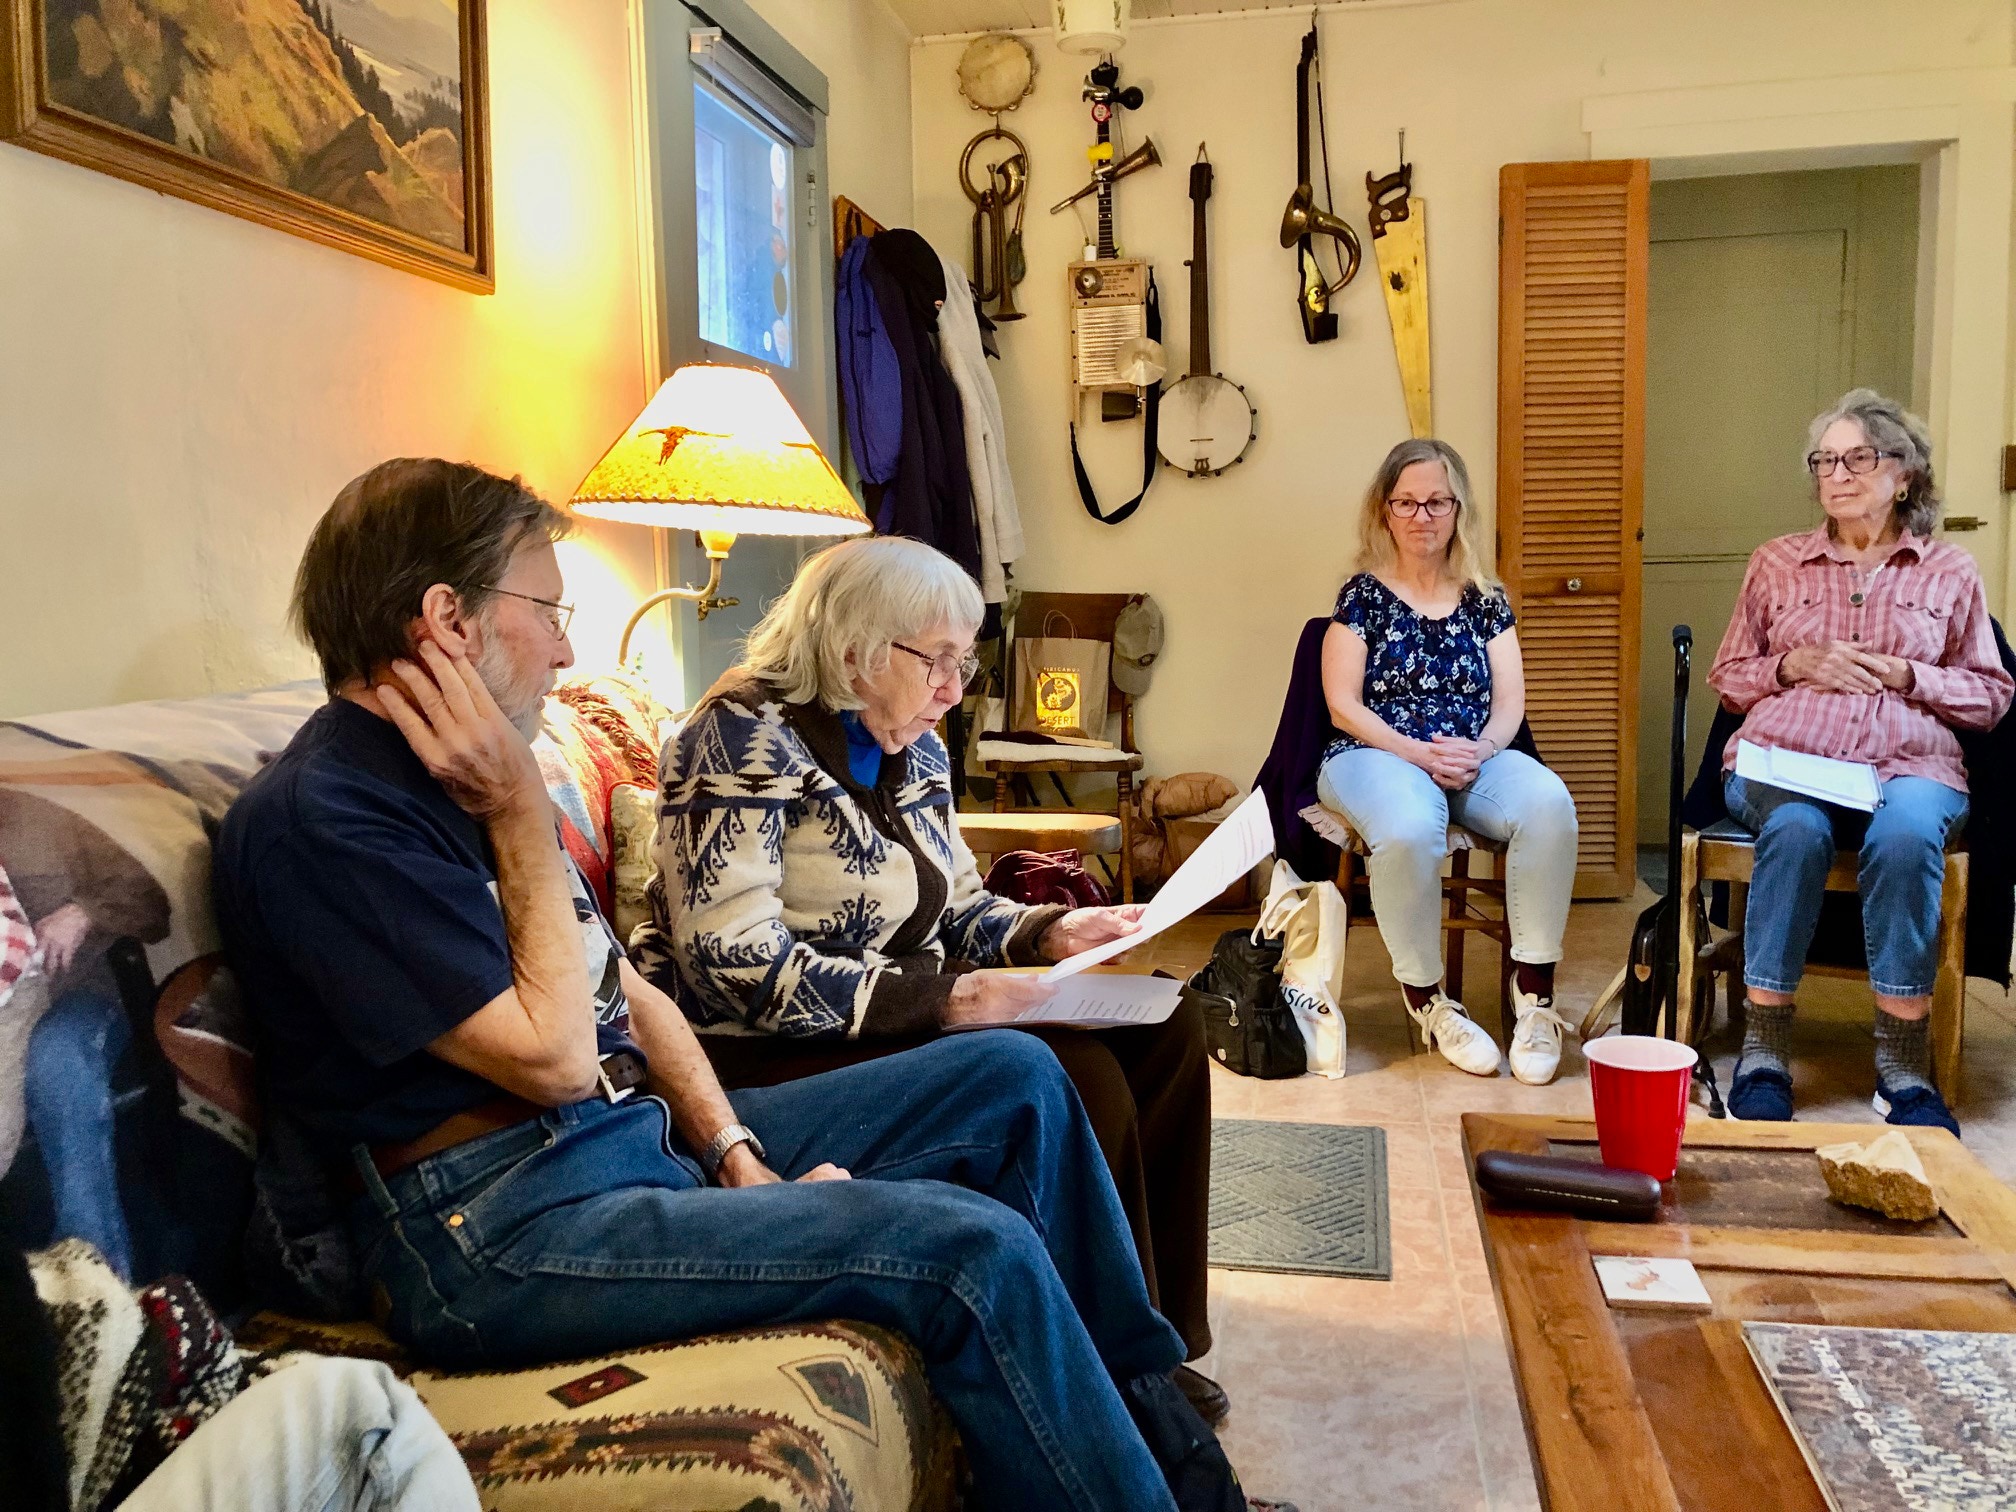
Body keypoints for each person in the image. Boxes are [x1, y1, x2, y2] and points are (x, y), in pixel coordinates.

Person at [213, 458, 1289, 1512]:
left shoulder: (455, 774)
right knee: (974, 1249)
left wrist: (734, 1153)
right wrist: (518, 815)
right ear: (449, 621)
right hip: (493, 1226)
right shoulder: (330, 819)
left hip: (617, 1144)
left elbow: (629, 996)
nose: (568, 646)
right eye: (548, 610)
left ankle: (1171, 1457)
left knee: (1019, 1079)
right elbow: (558, 1061)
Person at [630, 533, 1226, 1420]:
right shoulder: (735, 737)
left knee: (1167, 1025)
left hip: (902, 1003)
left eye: (963, 661)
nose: (954, 689)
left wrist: (1053, 931)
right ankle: (1098, 1360)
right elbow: (731, 966)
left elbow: (956, 907)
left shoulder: (913, 740)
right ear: (853, 652)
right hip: (762, 1044)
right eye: (936, 660)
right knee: (1076, 1071)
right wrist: (955, 1000)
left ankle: (1158, 1328)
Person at [1707, 390, 2013, 1132]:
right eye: (1824, 461)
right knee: (1796, 832)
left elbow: (1991, 694)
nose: (1837, 475)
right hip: (1785, 761)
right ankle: (1764, 1054)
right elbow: (1730, 676)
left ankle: (1903, 1069)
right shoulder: (1776, 562)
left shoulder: (1950, 570)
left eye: (1858, 459)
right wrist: (1793, 664)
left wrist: (1911, 676)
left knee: (1906, 838)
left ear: (1904, 474)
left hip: (1910, 765)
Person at [1316, 438, 1579, 1085]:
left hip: (1471, 755)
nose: (1422, 516)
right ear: (1384, 511)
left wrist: (1481, 750)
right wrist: (1415, 752)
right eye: (1406, 502)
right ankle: (1430, 1002)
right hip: (1375, 752)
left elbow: (1510, 703)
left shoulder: (1486, 598)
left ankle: (1535, 999)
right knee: (1408, 826)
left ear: (1459, 509)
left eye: (1437, 501)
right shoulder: (1362, 596)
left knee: (1550, 804)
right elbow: (1342, 704)